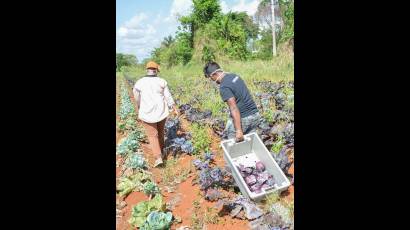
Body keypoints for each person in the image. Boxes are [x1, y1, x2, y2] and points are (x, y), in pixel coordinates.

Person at [133, 61, 179, 167]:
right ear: (156, 71)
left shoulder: (140, 82)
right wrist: (174, 108)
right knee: (160, 132)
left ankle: (158, 158)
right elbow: (168, 96)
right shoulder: (161, 81)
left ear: (147, 70)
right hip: (161, 111)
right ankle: (162, 151)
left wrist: (139, 106)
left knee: (152, 135)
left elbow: (136, 97)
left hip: (147, 112)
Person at [203, 61, 260, 142]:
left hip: (244, 119)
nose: (212, 80)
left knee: (233, 146)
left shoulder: (224, 87)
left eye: (210, 78)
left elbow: (233, 108)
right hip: (255, 116)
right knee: (249, 144)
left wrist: (239, 131)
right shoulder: (235, 76)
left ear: (213, 75)